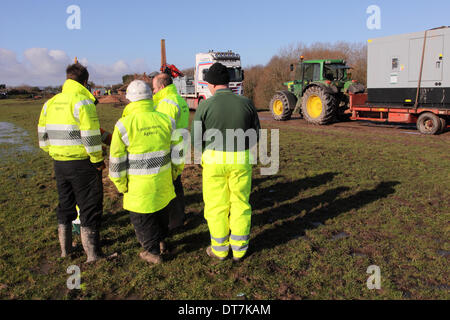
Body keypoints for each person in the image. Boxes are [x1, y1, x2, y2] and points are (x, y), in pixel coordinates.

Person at [191, 63, 260, 262]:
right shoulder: (246, 103)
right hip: (240, 159)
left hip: (213, 160)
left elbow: (196, 138)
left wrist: (204, 156)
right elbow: (255, 134)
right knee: (240, 203)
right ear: (228, 82)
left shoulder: (204, 105)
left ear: (210, 84)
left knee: (216, 206)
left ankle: (220, 250)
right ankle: (239, 249)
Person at [37, 63, 105, 263]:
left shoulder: (49, 103)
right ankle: (92, 254)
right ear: (85, 82)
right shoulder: (83, 103)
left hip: (59, 163)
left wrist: (56, 152)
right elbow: (91, 137)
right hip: (83, 164)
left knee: (65, 205)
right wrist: (97, 161)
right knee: (89, 206)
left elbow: (42, 138)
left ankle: (65, 250)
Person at [109, 80, 182, 265]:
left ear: (130, 100)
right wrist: (175, 172)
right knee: (161, 214)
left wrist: (120, 184)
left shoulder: (123, 125)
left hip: (138, 188)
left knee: (143, 220)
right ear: (151, 97)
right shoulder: (167, 120)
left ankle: (152, 252)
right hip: (163, 182)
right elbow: (178, 151)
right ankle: (162, 242)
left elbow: (116, 160)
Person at [152, 73, 190, 231]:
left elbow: (163, 131)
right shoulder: (179, 99)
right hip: (180, 147)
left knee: (170, 187)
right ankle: (179, 217)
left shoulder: (166, 103)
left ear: (161, 87)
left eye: (154, 88)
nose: (153, 92)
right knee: (177, 184)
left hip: (169, 150)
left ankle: (173, 222)